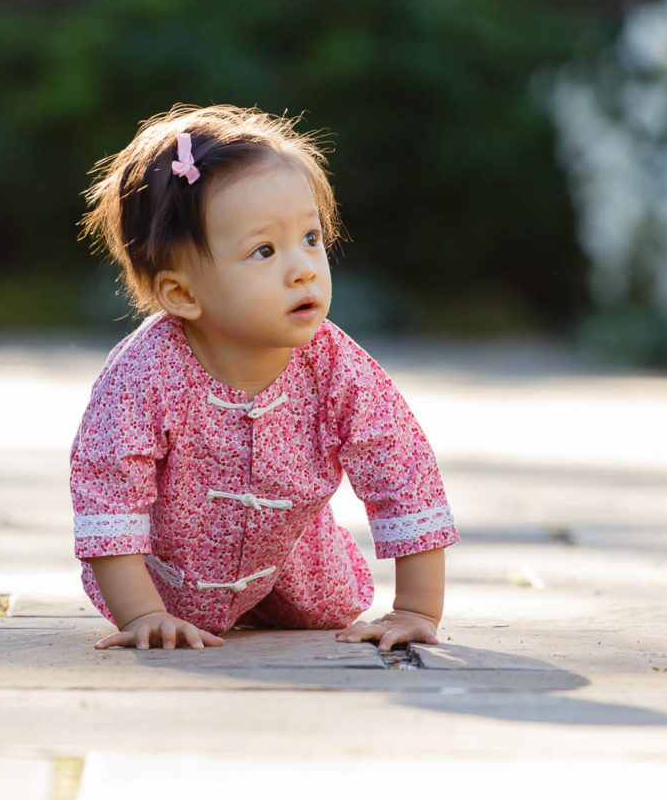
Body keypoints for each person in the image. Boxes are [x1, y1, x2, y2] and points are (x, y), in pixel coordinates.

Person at [71, 103, 460, 653]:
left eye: (311, 238)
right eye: (264, 250)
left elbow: (400, 467)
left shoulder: (335, 366)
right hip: (167, 579)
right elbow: (109, 486)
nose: (303, 268)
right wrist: (141, 615)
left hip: (299, 561)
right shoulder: (144, 374)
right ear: (182, 293)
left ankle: (293, 588)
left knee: (331, 606)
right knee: (159, 595)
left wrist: (416, 609)